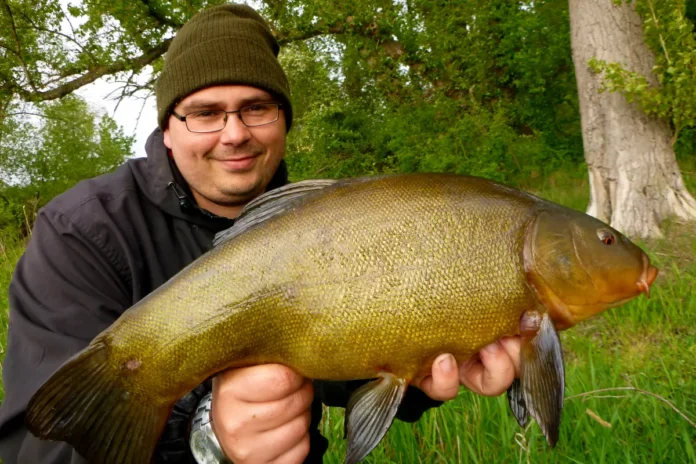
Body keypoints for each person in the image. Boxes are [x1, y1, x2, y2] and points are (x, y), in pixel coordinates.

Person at [0, 4, 521, 463]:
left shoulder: (328, 218)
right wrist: (205, 441)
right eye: (205, 113)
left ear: (283, 119)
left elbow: (341, 364)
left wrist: (420, 371)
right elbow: (36, 449)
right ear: (168, 126)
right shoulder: (83, 230)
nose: (235, 134)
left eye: (257, 108)